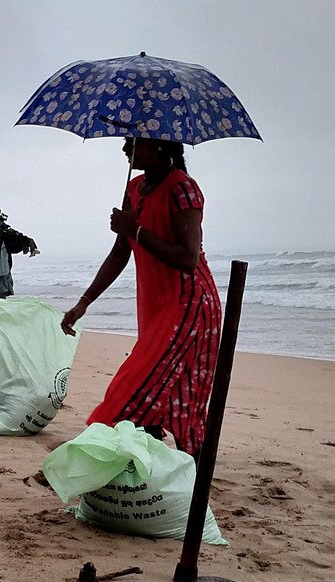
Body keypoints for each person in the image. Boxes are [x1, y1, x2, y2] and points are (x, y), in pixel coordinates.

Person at [60, 137, 221, 456]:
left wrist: (136, 230)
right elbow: (121, 253)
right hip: (156, 307)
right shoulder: (134, 189)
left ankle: (184, 477)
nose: (125, 149)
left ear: (160, 145)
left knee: (139, 392)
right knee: (158, 397)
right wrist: (85, 302)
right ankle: (149, 474)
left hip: (189, 308)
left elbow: (188, 258)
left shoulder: (183, 189)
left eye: (133, 143)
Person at [0, 220, 37, 299]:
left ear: (1, 233)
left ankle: (5, 310)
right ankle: (3, 310)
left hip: (7, 275)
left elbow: (17, 248)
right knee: (1, 297)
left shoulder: (7, 245)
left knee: (9, 295)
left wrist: (27, 243)